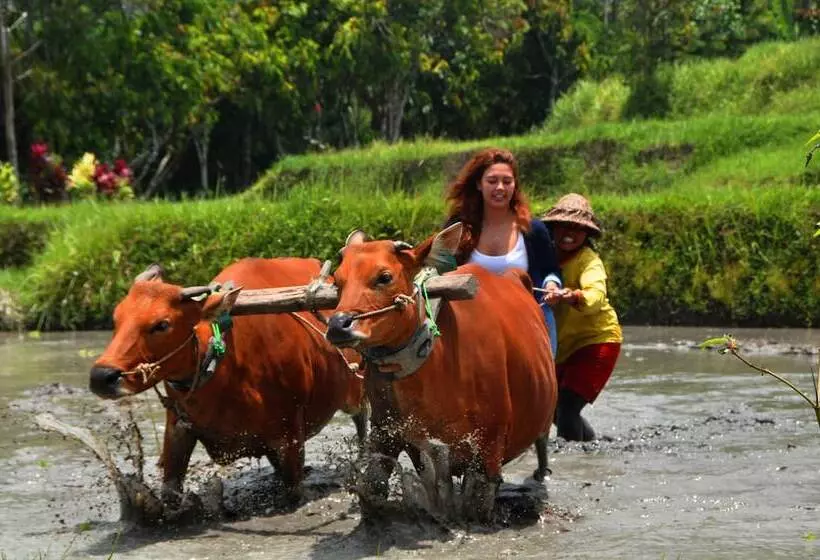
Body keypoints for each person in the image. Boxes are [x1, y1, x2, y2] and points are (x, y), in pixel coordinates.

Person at [444, 148, 562, 355]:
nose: (500, 187)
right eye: (492, 181)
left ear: (515, 186)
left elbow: (551, 271)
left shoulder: (533, 230)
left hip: (529, 325)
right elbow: (440, 271)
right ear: (479, 185)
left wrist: (552, 285)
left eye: (507, 181)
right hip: (472, 326)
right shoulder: (458, 229)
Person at [541, 193, 622, 442]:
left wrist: (573, 296)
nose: (569, 233)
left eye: (578, 229)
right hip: (562, 346)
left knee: (567, 409)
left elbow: (596, 295)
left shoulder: (589, 261)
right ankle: (591, 448)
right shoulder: (543, 258)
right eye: (564, 226)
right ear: (552, 227)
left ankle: (574, 465)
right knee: (553, 410)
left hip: (597, 340)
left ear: (587, 234)